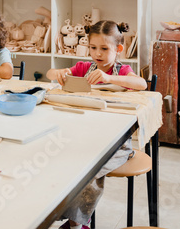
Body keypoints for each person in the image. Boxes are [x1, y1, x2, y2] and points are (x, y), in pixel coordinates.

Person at [46, 20, 147, 229]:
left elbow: (142, 84)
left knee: (89, 169)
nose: (97, 54)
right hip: (88, 137)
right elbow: (50, 73)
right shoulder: (84, 68)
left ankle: (77, 223)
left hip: (117, 144)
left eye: (104, 49)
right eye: (93, 48)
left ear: (118, 49)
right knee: (64, 160)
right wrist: (57, 74)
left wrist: (110, 77)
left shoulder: (123, 70)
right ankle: (64, 218)